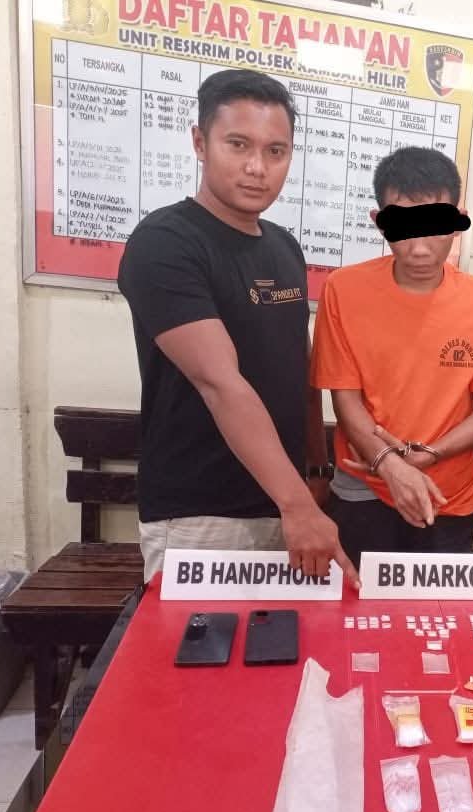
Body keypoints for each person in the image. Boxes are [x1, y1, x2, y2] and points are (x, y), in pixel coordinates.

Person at [118, 69, 355, 584]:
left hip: (285, 505)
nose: (257, 168)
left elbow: (300, 367)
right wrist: (298, 504)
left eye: (276, 151)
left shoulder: (284, 247)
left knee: (289, 639)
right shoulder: (165, 242)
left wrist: (315, 472)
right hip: (202, 514)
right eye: (238, 144)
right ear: (200, 142)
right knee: (198, 642)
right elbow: (220, 382)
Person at [311, 147, 473, 564]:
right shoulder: (344, 290)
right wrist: (389, 463)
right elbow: (346, 400)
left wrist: (427, 456)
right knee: (359, 600)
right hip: (365, 485)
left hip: (447, 494)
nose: (420, 249)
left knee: (435, 604)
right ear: (380, 222)